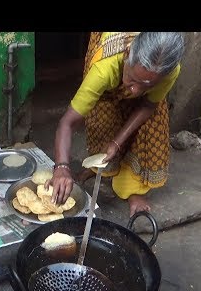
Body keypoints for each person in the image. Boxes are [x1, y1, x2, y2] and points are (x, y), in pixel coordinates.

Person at [46, 32, 185, 217]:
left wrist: (117, 143)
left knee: (152, 126)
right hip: (109, 56)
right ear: (127, 56)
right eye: (133, 80)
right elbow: (67, 122)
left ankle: (133, 189)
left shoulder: (168, 71)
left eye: (147, 85)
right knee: (104, 114)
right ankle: (98, 169)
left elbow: (148, 105)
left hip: (145, 79)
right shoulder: (104, 68)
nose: (135, 91)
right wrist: (62, 167)